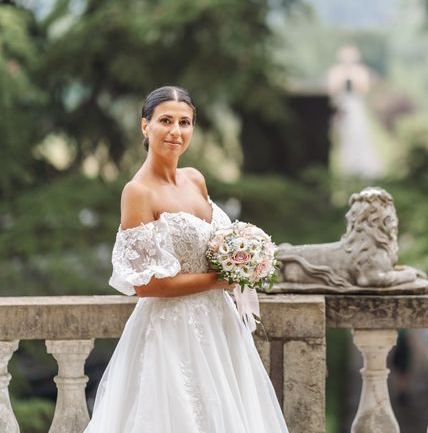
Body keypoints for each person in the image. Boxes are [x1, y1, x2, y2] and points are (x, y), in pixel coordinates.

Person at [84, 86, 288, 432]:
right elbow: (146, 285)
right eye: (166, 120)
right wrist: (223, 279)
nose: (176, 131)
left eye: (185, 122)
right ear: (145, 126)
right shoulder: (138, 192)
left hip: (220, 326)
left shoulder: (195, 179)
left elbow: (210, 246)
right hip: (171, 330)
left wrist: (244, 257)